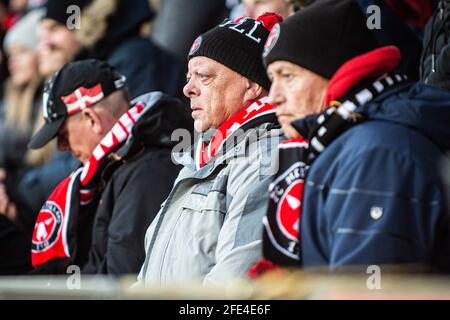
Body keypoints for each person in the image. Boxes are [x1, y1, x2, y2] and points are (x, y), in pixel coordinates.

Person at [261, 0, 450, 272]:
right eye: (271, 78)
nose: (273, 97)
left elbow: (366, 290)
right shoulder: (347, 141)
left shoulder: (377, 154)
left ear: (336, 73)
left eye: (287, 76)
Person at [137, 13, 284, 285]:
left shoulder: (265, 158)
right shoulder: (201, 156)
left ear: (252, 85)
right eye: (189, 76)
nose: (187, 88)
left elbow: (232, 286)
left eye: (203, 76)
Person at [28, 59, 193, 274]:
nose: (61, 148)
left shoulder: (146, 170)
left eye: (63, 135)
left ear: (91, 119)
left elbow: (118, 282)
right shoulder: (108, 166)